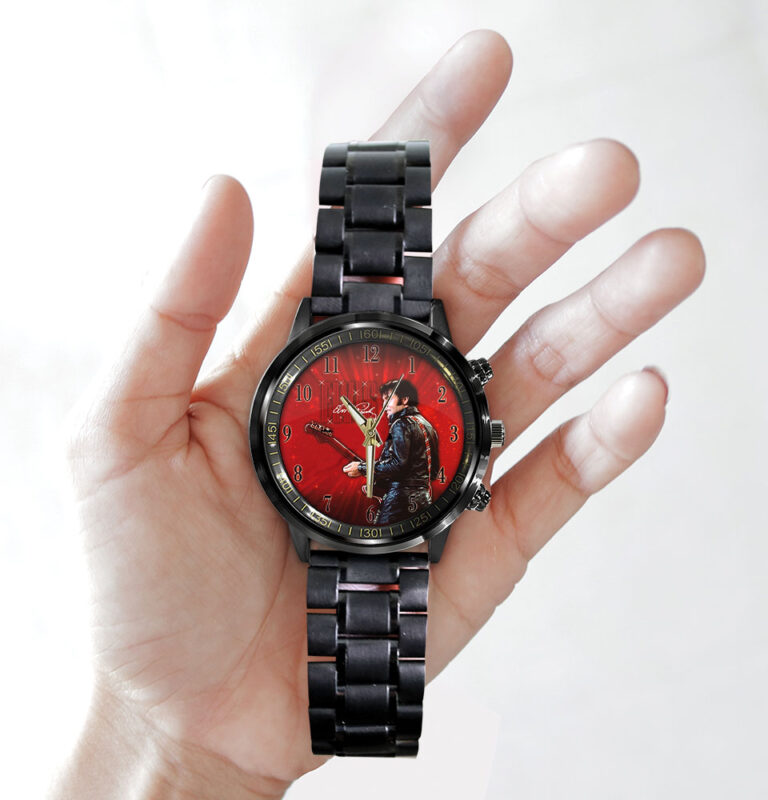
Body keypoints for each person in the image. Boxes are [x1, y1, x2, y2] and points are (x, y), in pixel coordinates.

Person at [49, 28, 705, 800]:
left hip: (393, 513)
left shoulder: (406, 427)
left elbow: (386, 467)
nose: (384, 400)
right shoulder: (402, 425)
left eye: (388, 396)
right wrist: (178, 748)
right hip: (384, 517)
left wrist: (183, 756)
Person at [343, 378, 440, 523]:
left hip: (398, 502)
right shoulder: (428, 426)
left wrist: (362, 468)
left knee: (383, 535)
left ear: (405, 399)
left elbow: (397, 465)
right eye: (383, 400)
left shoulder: (400, 424)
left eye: (388, 399)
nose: (384, 405)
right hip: (424, 500)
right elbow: (433, 472)